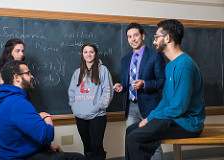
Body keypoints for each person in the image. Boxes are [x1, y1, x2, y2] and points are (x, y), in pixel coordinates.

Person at [125, 19, 206, 160]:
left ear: (167, 38)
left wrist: (150, 119)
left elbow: (178, 107)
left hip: (187, 123)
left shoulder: (184, 66)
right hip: (175, 118)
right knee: (131, 130)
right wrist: (150, 117)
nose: (154, 41)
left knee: (135, 138)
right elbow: (166, 101)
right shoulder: (169, 66)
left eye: (157, 37)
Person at [0, 60, 85, 160]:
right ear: (17, 78)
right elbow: (46, 136)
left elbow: (20, 138)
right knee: (78, 158)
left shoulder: (6, 101)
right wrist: (47, 117)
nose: (32, 76)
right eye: (28, 73)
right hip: (23, 158)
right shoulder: (18, 103)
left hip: (17, 156)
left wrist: (48, 146)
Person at [113, 23, 165, 159]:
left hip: (150, 107)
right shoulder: (125, 60)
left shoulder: (155, 56)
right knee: (133, 143)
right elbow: (126, 82)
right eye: (129, 37)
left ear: (142, 36)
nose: (133, 39)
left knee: (153, 144)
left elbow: (162, 81)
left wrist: (144, 84)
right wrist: (121, 87)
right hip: (131, 108)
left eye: (135, 35)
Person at [68, 42, 114, 160]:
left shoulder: (103, 70)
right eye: (86, 52)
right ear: (82, 54)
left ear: (95, 54)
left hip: (97, 116)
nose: (88, 54)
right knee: (87, 147)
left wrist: (97, 107)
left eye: (91, 52)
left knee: (96, 146)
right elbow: (71, 92)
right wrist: (75, 108)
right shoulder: (77, 72)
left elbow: (108, 92)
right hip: (80, 116)